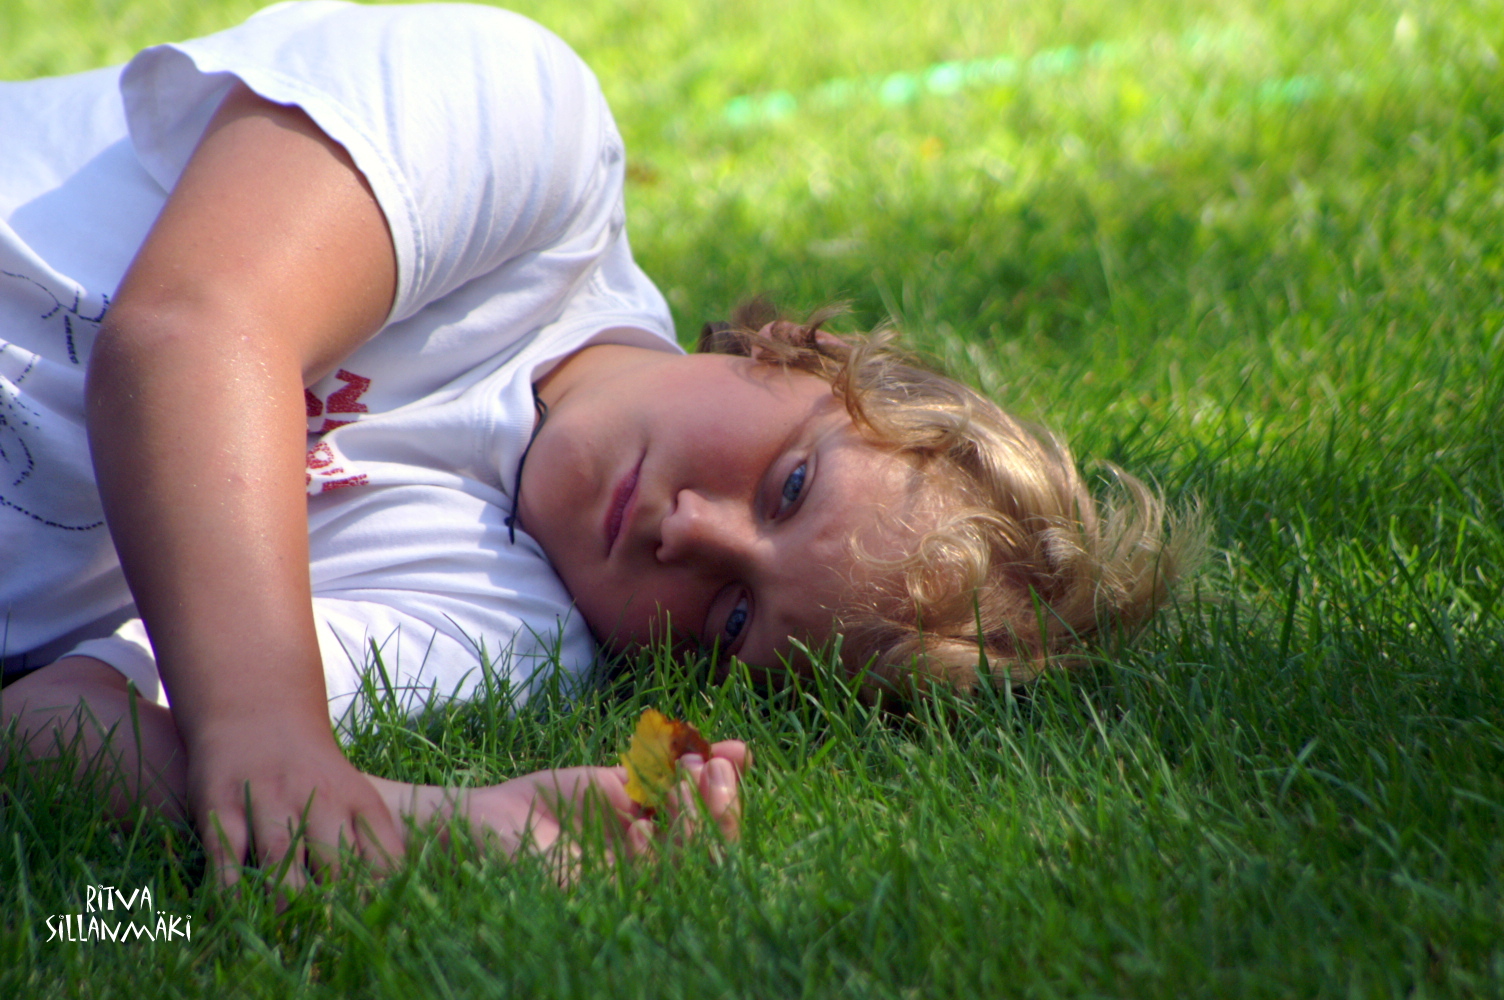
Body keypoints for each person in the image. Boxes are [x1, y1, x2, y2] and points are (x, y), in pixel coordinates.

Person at [0, 2, 1192, 883]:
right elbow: (193, 325)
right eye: (788, 485)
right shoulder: (530, 138)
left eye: (734, 617)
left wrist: (435, 822)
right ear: (803, 353)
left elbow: (51, 724)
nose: (691, 532)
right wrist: (270, 729)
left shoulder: (510, 634)